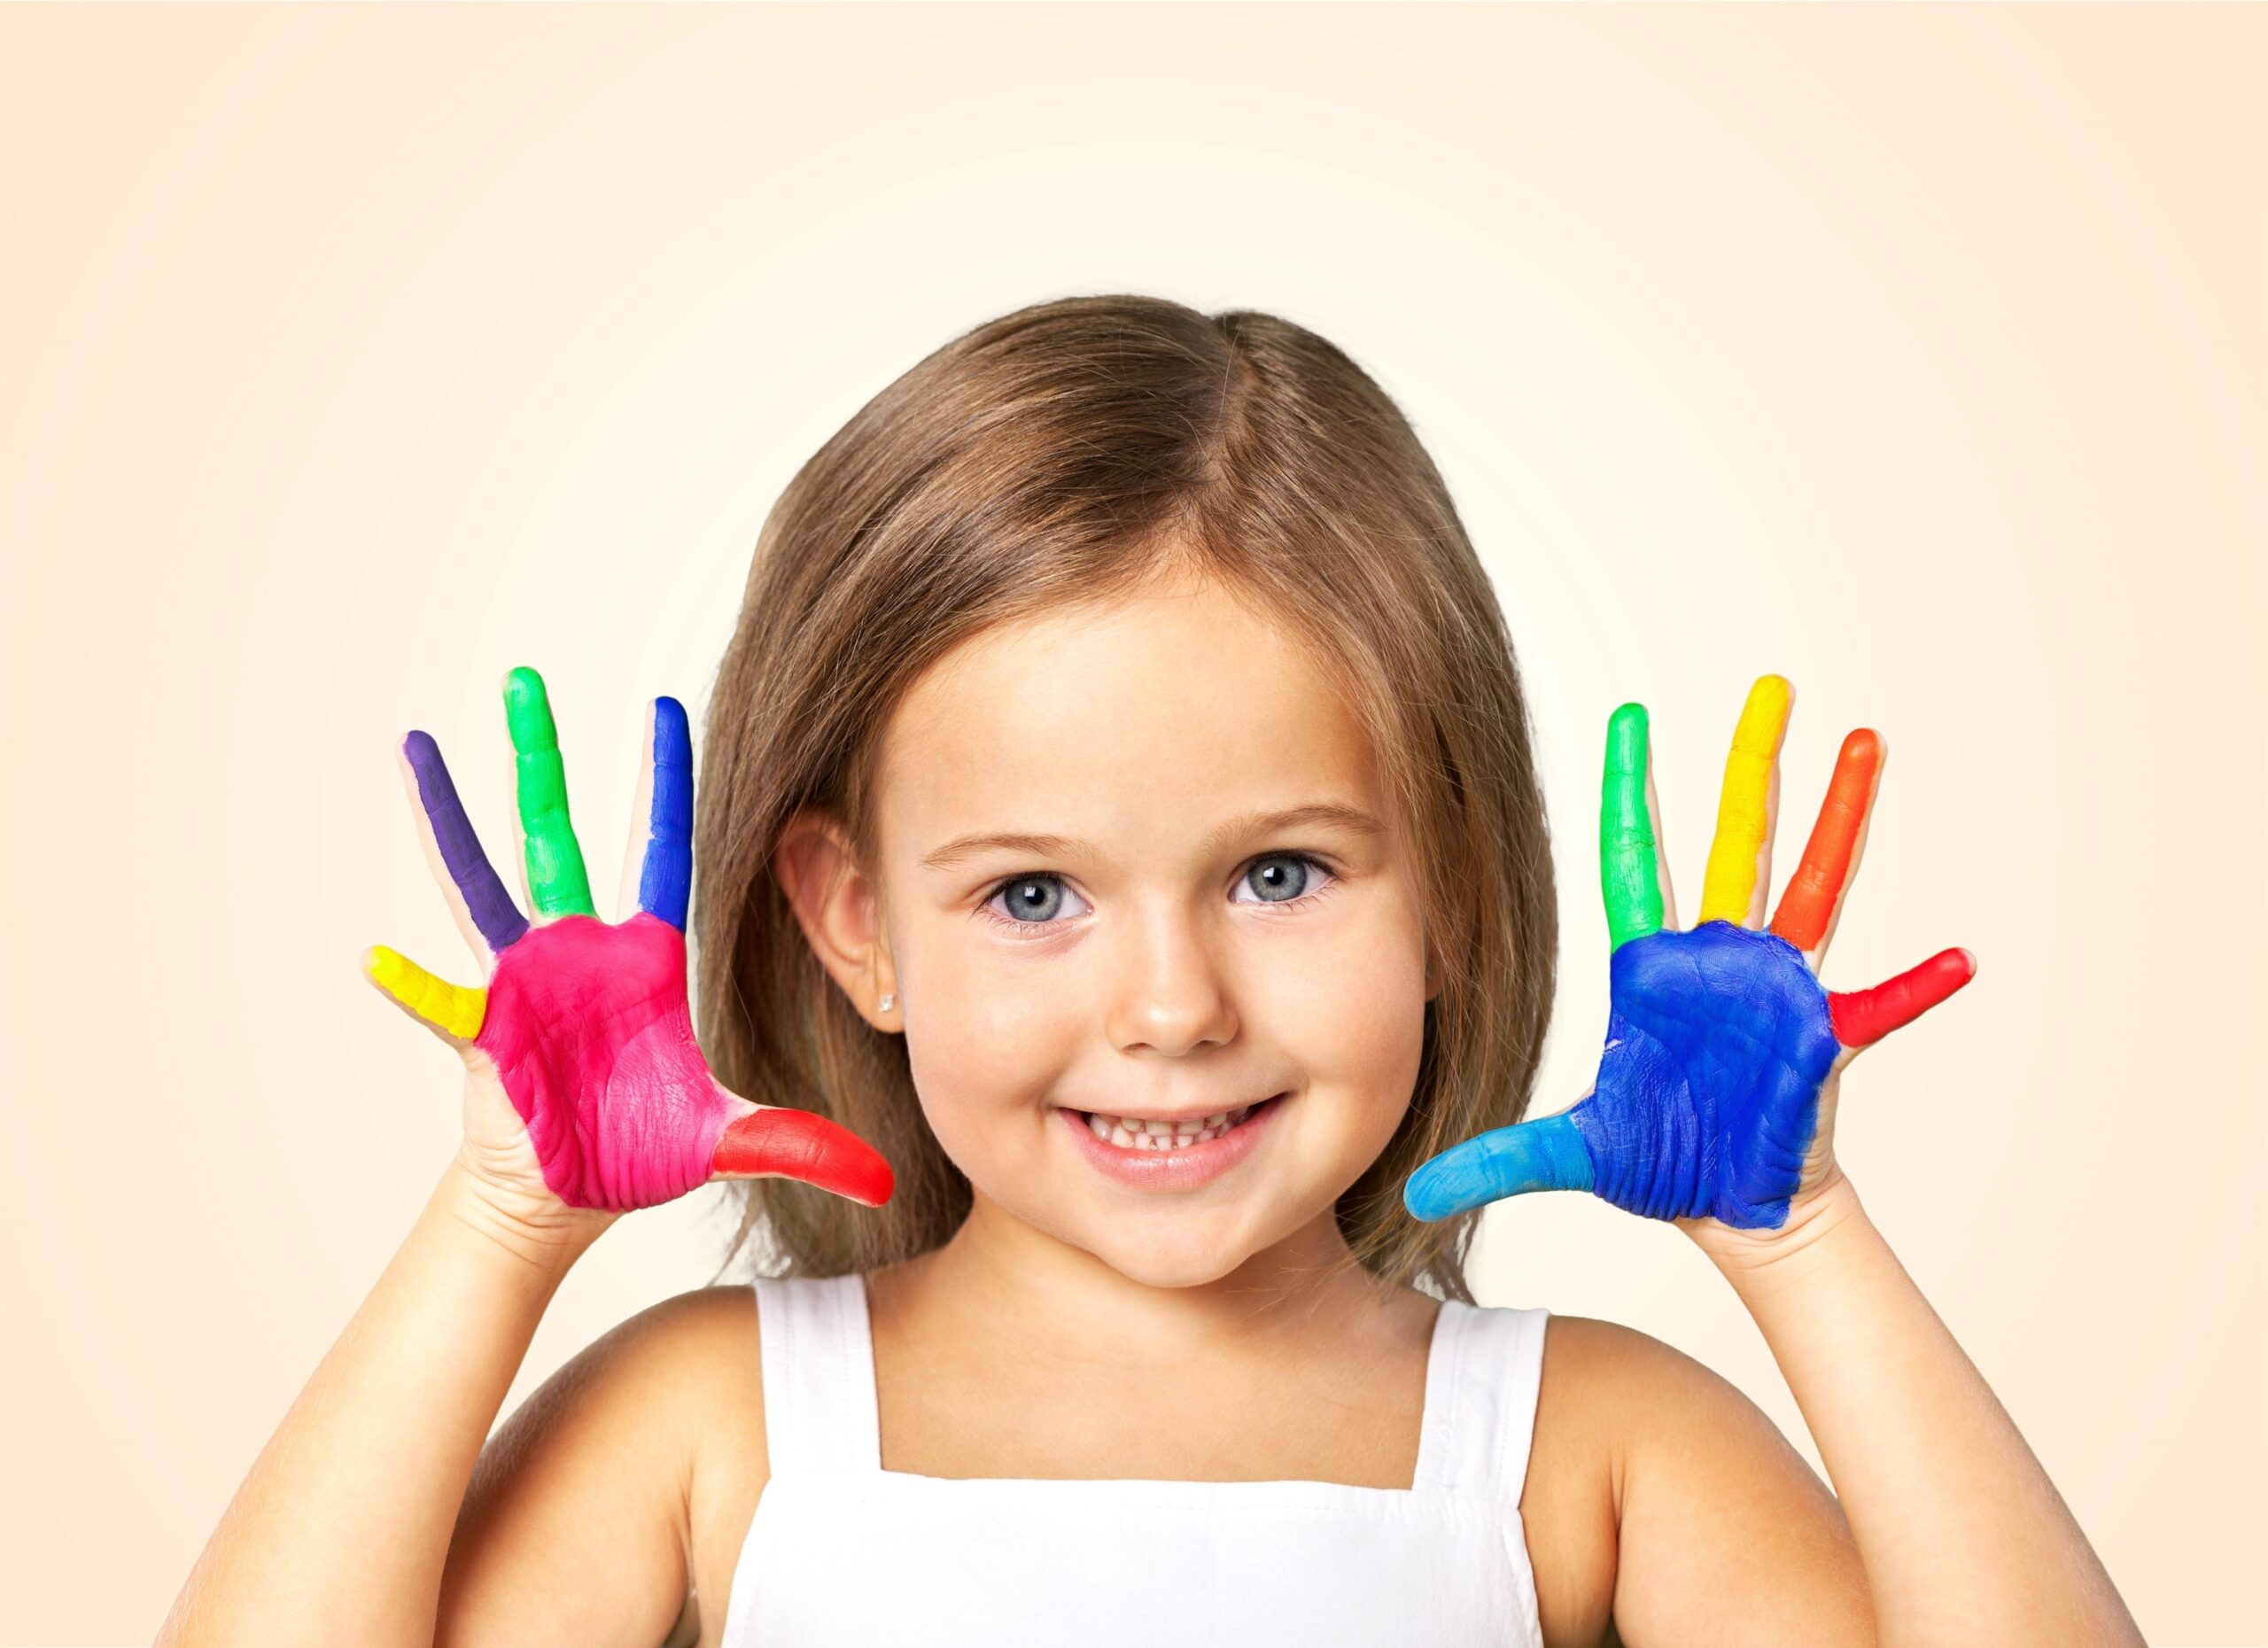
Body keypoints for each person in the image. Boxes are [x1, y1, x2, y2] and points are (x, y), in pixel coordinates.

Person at [157, 294, 2142, 1646]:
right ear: (855, 921)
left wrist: (1800, 1241)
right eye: (1032, 895)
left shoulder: (1586, 1452)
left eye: (1278, 869)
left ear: (1450, 883)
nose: (1170, 1005)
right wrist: (497, 1223)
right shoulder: (715, 1427)